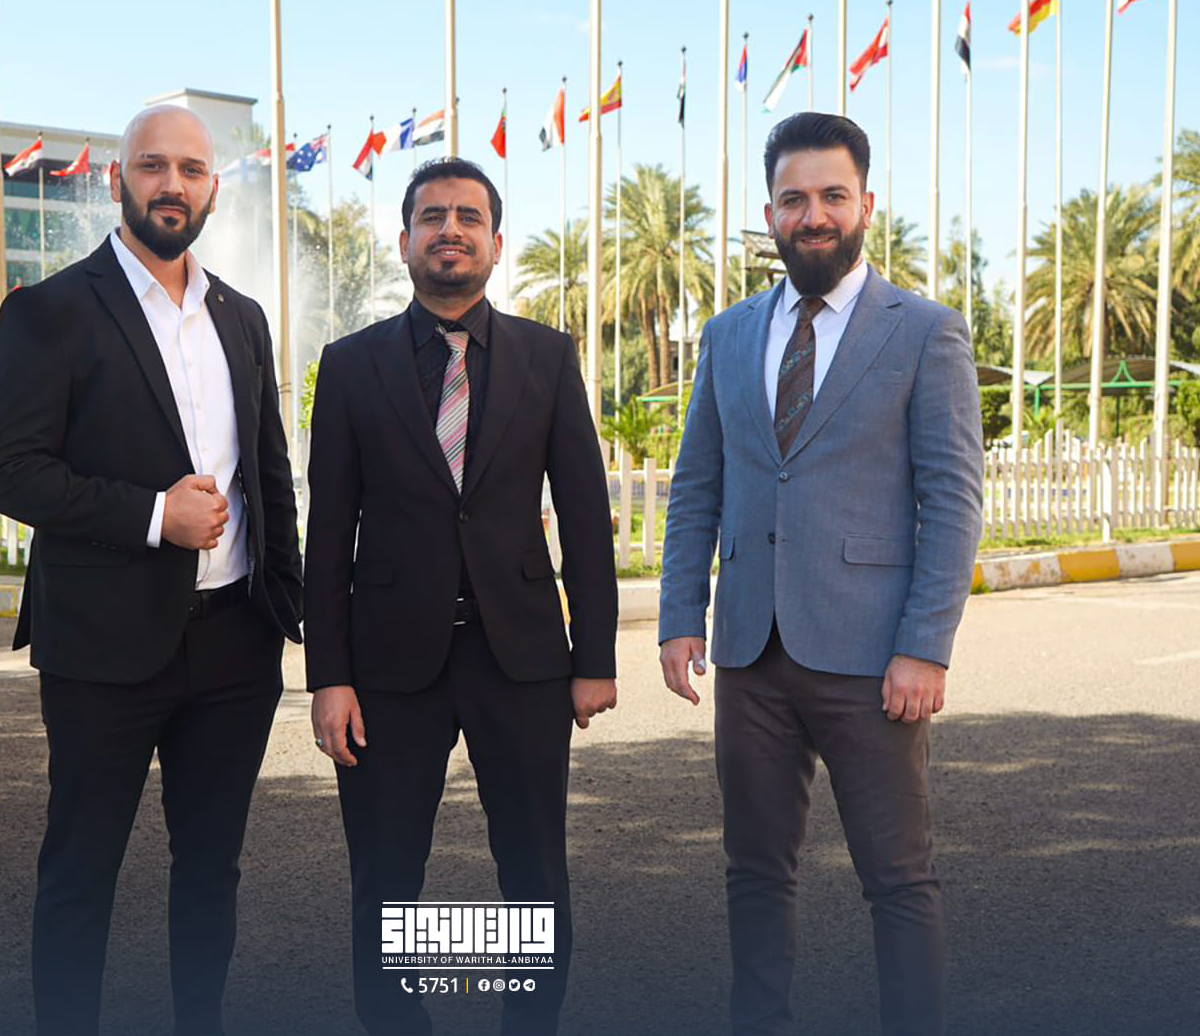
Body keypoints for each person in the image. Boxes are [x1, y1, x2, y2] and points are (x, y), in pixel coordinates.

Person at [0, 105, 303, 1036]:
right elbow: (6, 472)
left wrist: (291, 605)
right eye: (153, 166)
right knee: (81, 872)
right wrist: (158, 516)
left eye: (191, 170)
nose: (173, 185)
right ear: (118, 179)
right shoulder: (50, 312)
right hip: (102, 648)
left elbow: (269, 471)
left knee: (212, 870)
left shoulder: (242, 317)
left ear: (213, 188)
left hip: (235, 646)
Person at [658, 111, 983, 1036]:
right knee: (755, 873)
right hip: (749, 655)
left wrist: (926, 647)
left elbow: (953, 501)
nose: (814, 215)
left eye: (833, 195)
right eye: (794, 199)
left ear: (867, 205)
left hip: (873, 661)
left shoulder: (925, 333)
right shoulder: (728, 335)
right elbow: (697, 485)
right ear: (770, 213)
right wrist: (680, 615)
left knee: (899, 880)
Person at [305, 157, 618, 1036]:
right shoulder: (350, 366)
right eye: (432, 216)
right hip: (386, 669)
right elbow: (328, 533)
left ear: (496, 242)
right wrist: (329, 676)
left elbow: (584, 515)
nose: (450, 230)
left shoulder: (548, 358)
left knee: (533, 876)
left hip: (521, 661)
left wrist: (594, 657)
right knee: (386, 879)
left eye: (468, 217)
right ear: (404, 240)